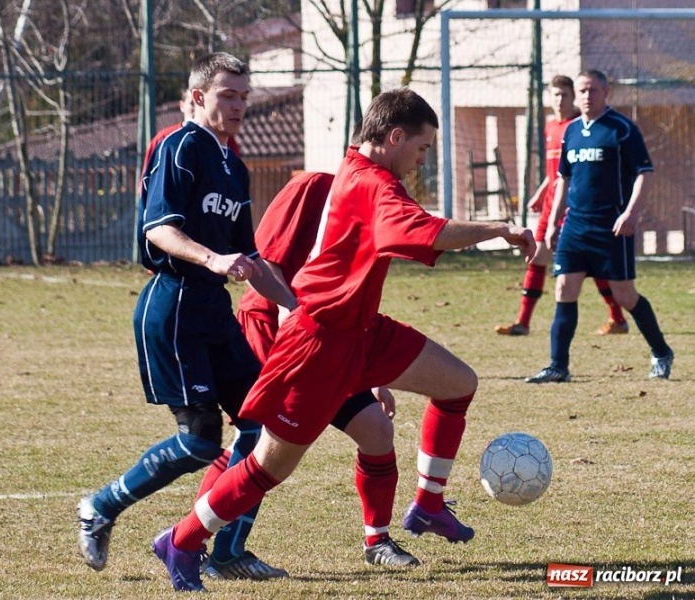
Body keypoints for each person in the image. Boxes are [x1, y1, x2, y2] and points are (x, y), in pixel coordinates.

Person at [151, 87, 536, 592]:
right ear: (394, 136)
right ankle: (180, 540)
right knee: (269, 464)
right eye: (421, 149)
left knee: (458, 382)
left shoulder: (363, 176)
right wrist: (500, 229)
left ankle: (428, 504)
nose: (422, 160)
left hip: (362, 330)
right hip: (320, 341)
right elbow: (426, 233)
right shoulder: (373, 183)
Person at [77, 52, 295, 580]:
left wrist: (294, 306)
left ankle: (225, 552)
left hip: (212, 309)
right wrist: (212, 257)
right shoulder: (179, 146)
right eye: (228, 95)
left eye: (245, 96)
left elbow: (252, 256)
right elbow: (159, 229)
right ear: (198, 97)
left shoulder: (234, 165)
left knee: (265, 429)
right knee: (200, 441)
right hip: (171, 303)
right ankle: (100, 507)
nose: (240, 105)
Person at [205, 170, 420, 574]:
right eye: (416, 150)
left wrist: (371, 377)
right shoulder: (314, 187)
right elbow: (265, 258)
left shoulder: (378, 203)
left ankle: (377, 541)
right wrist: (290, 313)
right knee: (260, 445)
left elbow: (352, 296)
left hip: (330, 342)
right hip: (274, 330)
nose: (411, 167)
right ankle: (216, 551)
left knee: (375, 430)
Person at [526, 69, 674, 383]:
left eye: (593, 90)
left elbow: (644, 173)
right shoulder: (572, 131)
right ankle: (558, 366)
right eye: (582, 91)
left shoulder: (621, 129)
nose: (586, 96)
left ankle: (661, 351)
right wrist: (554, 223)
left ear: (607, 91)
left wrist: (631, 213)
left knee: (624, 295)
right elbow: (563, 180)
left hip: (612, 227)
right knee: (564, 288)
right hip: (575, 226)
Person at [495, 75, 628, 337]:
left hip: (573, 205)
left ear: (573, 97)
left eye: (564, 95)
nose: (559, 100)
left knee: (587, 264)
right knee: (537, 256)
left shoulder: (581, 126)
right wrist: (539, 193)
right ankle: (523, 323)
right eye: (555, 95)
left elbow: (575, 174)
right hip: (550, 204)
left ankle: (618, 318)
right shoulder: (550, 127)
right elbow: (555, 172)